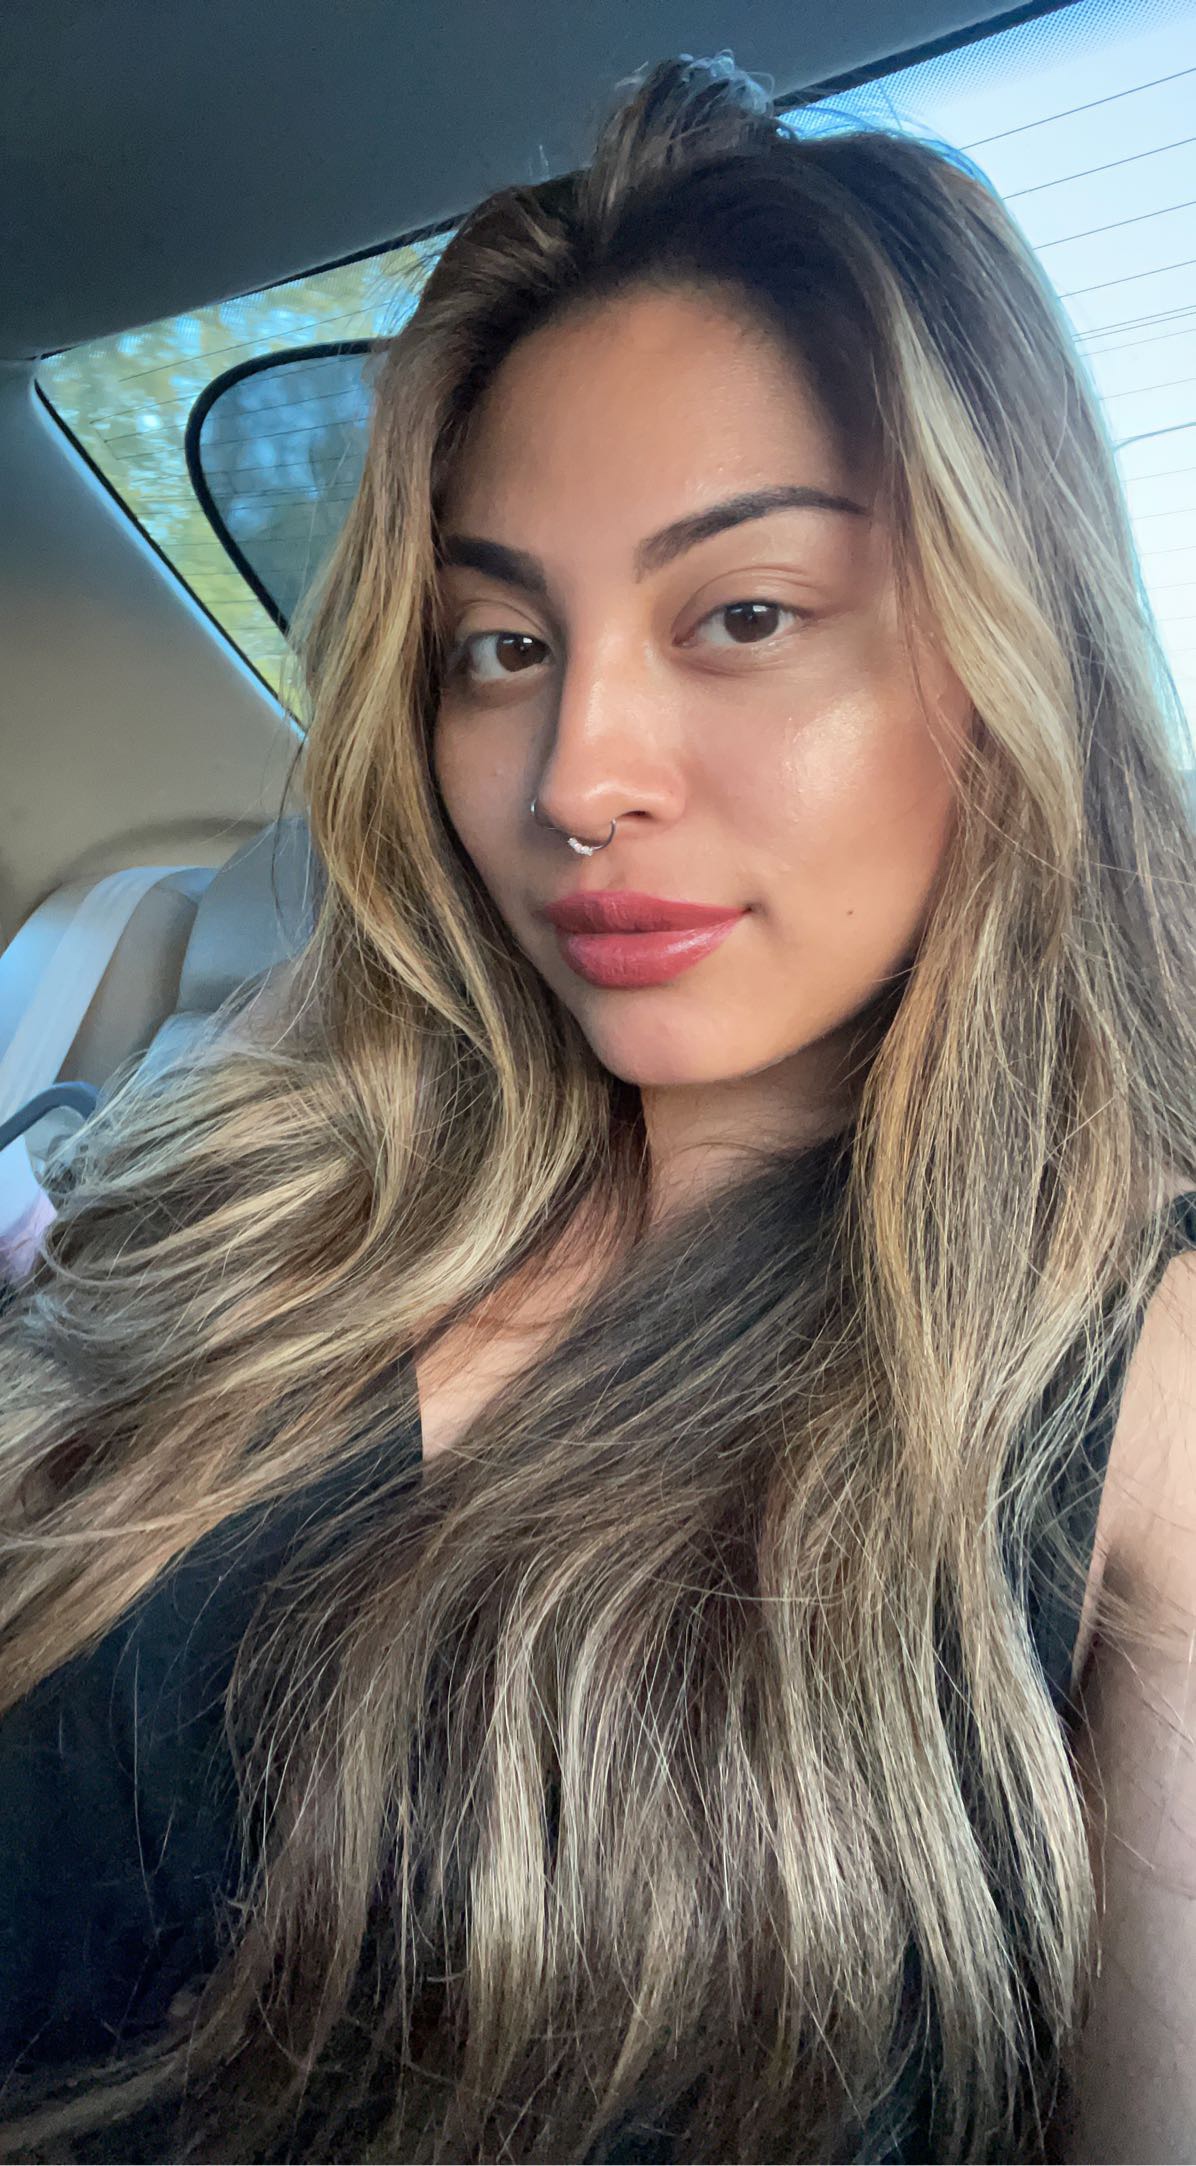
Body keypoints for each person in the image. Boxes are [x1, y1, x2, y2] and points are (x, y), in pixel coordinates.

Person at [1, 49, 1195, 2166]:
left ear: (1010, 660)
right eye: (498, 646)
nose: (574, 777)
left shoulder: (1134, 1381)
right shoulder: (277, 1160)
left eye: (743, 615)